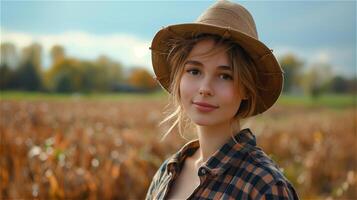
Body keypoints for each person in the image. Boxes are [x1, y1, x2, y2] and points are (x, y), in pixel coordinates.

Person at [146, 0, 299, 199]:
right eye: (194, 71)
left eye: (225, 76)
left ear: (247, 88)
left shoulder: (264, 186)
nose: (205, 88)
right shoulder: (167, 172)